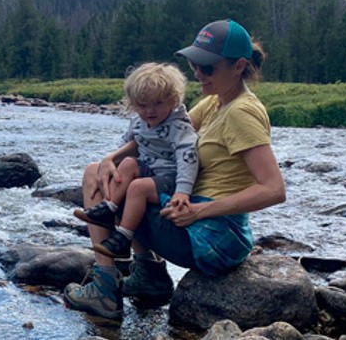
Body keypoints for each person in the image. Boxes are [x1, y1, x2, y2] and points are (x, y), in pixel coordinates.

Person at [64, 19, 286, 320]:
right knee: (106, 170)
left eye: (207, 68)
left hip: (212, 236)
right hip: (199, 225)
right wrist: (111, 157)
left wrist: (199, 211)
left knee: (103, 180)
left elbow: (273, 189)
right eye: (195, 65)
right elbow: (159, 134)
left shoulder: (242, 113)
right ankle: (149, 276)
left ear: (239, 66)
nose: (198, 73)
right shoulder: (215, 102)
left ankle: (105, 289)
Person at [72, 62, 199, 262]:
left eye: (158, 103)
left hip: (169, 177)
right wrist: (111, 162)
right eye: (142, 105)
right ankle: (109, 209)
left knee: (138, 187)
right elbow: (125, 145)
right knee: (128, 164)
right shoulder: (138, 123)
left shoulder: (178, 127)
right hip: (148, 170)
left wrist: (182, 190)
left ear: (173, 100)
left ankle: (124, 235)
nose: (150, 111)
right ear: (133, 103)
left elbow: (188, 159)